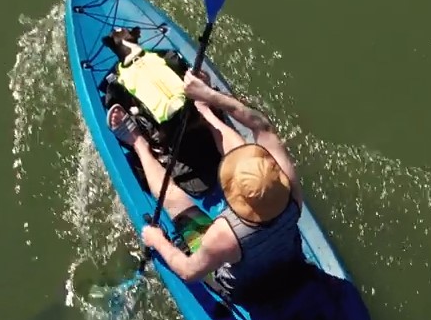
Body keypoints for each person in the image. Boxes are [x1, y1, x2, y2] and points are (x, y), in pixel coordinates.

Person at [106, 71, 305, 301]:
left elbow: (188, 270)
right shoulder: (290, 191)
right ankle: (204, 110)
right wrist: (208, 96)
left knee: (174, 199)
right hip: (289, 263)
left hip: (248, 289)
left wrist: (157, 240)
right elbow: (262, 125)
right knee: (246, 162)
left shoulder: (223, 234)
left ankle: (137, 142)